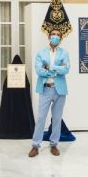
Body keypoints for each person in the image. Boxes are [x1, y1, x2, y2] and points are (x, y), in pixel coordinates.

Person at [29, 29, 70, 157]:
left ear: (60, 38)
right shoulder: (41, 53)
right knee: (41, 117)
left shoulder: (64, 53)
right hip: (46, 89)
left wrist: (50, 67)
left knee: (57, 118)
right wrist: (55, 69)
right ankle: (35, 145)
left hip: (60, 90)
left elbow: (66, 69)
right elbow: (39, 70)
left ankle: (54, 145)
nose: (55, 37)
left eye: (58, 35)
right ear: (49, 36)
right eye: (53, 35)